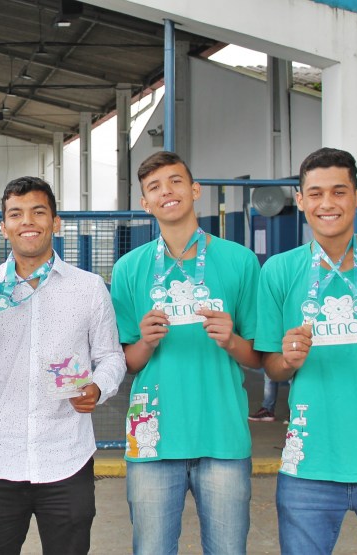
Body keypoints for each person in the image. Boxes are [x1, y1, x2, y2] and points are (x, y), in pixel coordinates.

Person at [0, 176, 125, 554]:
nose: (27, 221)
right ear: (4, 226)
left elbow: (110, 356)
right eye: (16, 214)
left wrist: (98, 387)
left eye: (38, 212)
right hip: (0, 460)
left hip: (67, 459)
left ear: (55, 222)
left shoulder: (89, 287)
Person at [110, 151, 260, 554]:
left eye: (175, 181)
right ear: (145, 203)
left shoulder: (240, 261)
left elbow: (258, 358)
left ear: (194, 190)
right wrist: (145, 341)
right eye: (154, 187)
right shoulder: (129, 268)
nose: (167, 191)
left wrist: (231, 340)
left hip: (223, 436)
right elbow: (128, 363)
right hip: (153, 439)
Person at [255, 147, 357, 553]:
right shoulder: (279, 270)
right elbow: (272, 367)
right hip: (308, 464)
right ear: (300, 200)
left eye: (339, 191)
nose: (327, 203)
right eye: (315, 193)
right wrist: (287, 359)